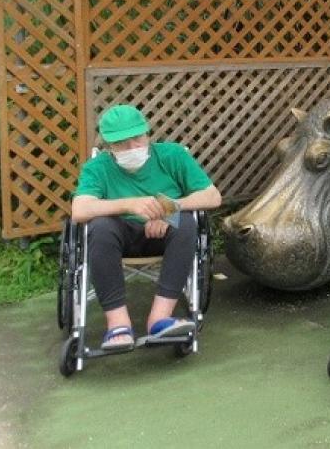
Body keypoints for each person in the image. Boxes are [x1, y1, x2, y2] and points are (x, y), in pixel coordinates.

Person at [71, 104, 222, 352]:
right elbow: (80, 210)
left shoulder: (172, 155)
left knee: (186, 223)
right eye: (122, 143)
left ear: (148, 133)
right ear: (109, 146)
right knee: (99, 227)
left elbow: (212, 197)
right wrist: (131, 204)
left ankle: (160, 318)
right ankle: (118, 324)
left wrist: (167, 210)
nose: (133, 148)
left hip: (166, 234)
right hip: (119, 237)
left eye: (137, 138)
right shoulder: (97, 168)